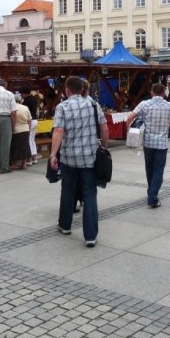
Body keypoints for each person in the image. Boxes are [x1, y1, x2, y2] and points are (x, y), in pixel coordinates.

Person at [50, 76, 108, 247]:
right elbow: (104, 128)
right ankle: (90, 236)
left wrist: (53, 154)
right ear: (82, 89)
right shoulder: (93, 105)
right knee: (90, 194)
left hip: (69, 158)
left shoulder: (63, 107)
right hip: (89, 157)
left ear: (67, 90)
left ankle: (65, 225)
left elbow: (59, 131)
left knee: (68, 191)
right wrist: (103, 148)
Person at [126, 83, 170, 208]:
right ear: (164, 93)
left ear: (152, 92)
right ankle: (152, 196)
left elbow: (129, 117)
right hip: (162, 143)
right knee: (158, 170)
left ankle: (151, 193)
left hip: (148, 142)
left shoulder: (144, 104)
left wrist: (131, 132)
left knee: (149, 169)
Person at [10, 93, 32, 170]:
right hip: (25, 129)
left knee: (15, 147)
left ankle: (14, 164)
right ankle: (24, 164)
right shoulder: (25, 107)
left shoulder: (12, 108)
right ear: (20, 100)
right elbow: (29, 120)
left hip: (16, 130)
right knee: (25, 147)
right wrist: (28, 129)